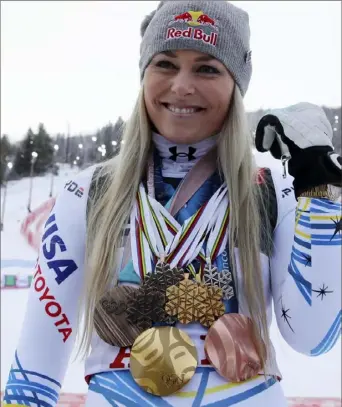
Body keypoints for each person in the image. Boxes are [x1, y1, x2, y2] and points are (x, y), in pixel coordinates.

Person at [3, 1, 341, 406]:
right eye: (165, 63)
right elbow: (34, 368)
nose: (182, 86)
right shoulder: (88, 190)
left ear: (236, 85)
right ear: (143, 73)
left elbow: (314, 337)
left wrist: (319, 187)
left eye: (207, 68)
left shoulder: (274, 188)